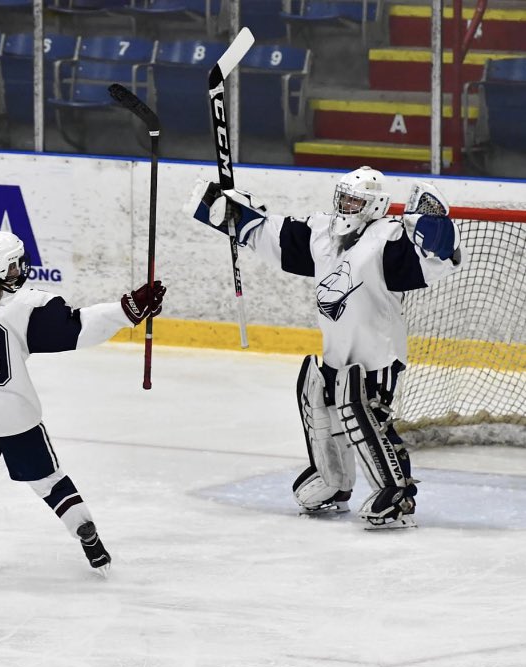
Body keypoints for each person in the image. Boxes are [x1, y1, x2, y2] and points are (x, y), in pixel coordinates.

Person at [185, 166, 466, 530]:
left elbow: (434, 260)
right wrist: (233, 217)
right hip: (337, 350)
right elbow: (276, 236)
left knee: (365, 414)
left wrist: (436, 234)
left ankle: (397, 492)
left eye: (355, 201)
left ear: (374, 205)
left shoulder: (386, 238)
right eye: (343, 198)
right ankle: (334, 482)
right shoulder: (323, 232)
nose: (346, 206)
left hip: (377, 354)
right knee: (318, 401)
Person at [0, 228, 166, 575]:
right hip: (11, 419)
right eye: (15, 264)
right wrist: (129, 309)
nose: (20, 268)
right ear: (7, 269)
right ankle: (88, 538)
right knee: (49, 482)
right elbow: (81, 326)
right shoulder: (26, 307)